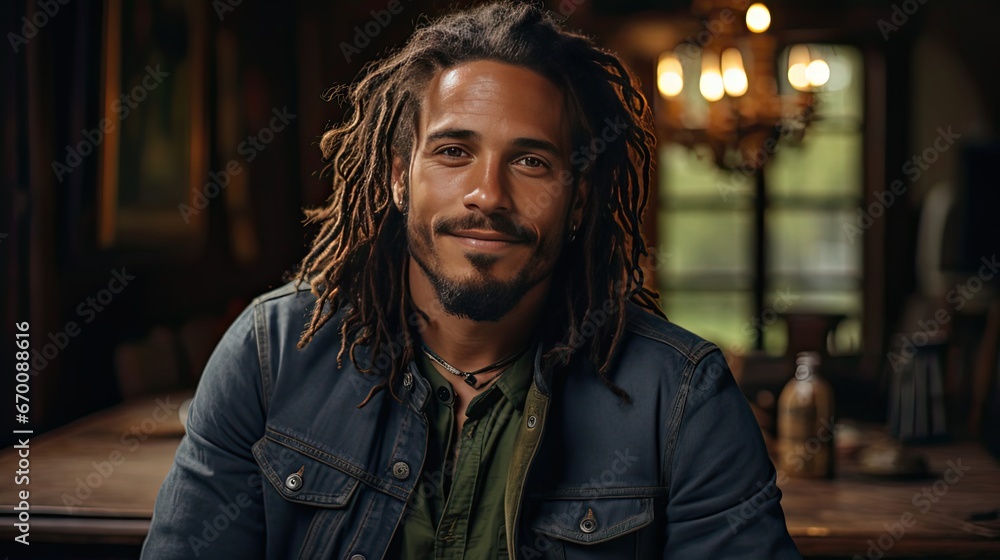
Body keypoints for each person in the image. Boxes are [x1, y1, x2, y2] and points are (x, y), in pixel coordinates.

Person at [141, 2, 801, 558]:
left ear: (577, 202)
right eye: (455, 151)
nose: (489, 193)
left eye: (533, 161)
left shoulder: (684, 398)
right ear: (400, 176)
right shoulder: (270, 354)